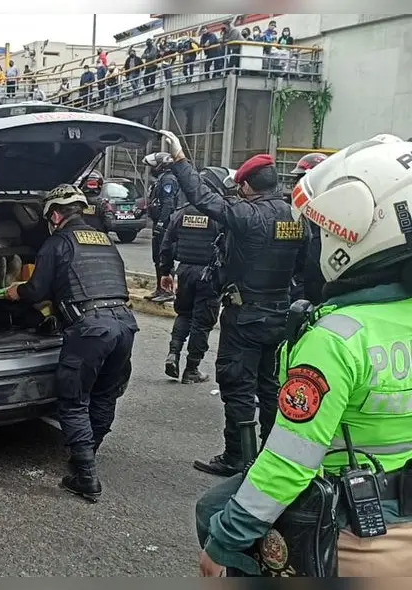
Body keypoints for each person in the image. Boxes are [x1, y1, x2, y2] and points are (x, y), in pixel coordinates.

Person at [196, 134, 412, 577]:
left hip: (346, 515)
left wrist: (223, 544)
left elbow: (289, 463)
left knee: (213, 511)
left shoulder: (336, 338)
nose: (319, 239)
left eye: (326, 229)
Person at [154, 131, 309, 478]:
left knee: (237, 384)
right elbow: (304, 267)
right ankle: (271, 457)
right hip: (281, 314)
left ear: (248, 186)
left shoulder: (247, 214)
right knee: (269, 386)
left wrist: (180, 160)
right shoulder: (297, 217)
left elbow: (202, 197)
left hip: (246, 315)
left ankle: (238, 457)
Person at [6, 184, 138, 501]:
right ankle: (87, 454)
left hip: (91, 329)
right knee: (104, 396)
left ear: (54, 214)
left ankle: (85, 476)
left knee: (74, 398)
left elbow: (37, 291)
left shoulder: (57, 242)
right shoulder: (104, 240)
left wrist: (17, 291)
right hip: (124, 324)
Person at [158, 167, 228, 384]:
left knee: (184, 314)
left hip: (184, 272)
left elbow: (166, 244)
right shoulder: (219, 215)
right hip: (209, 275)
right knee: (202, 322)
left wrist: (165, 272)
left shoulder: (181, 213)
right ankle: (192, 369)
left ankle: (173, 353)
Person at [289, 153, 329, 305]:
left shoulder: (332, 215)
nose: (296, 185)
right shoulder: (298, 212)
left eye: (300, 179)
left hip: (319, 294)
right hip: (299, 290)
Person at [144, 151, 181, 302]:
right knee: (157, 257)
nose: (151, 169)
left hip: (164, 225)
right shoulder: (161, 179)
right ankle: (160, 288)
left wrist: (161, 222)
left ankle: (168, 290)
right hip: (158, 222)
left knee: (164, 255)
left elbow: (168, 203)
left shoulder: (168, 180)